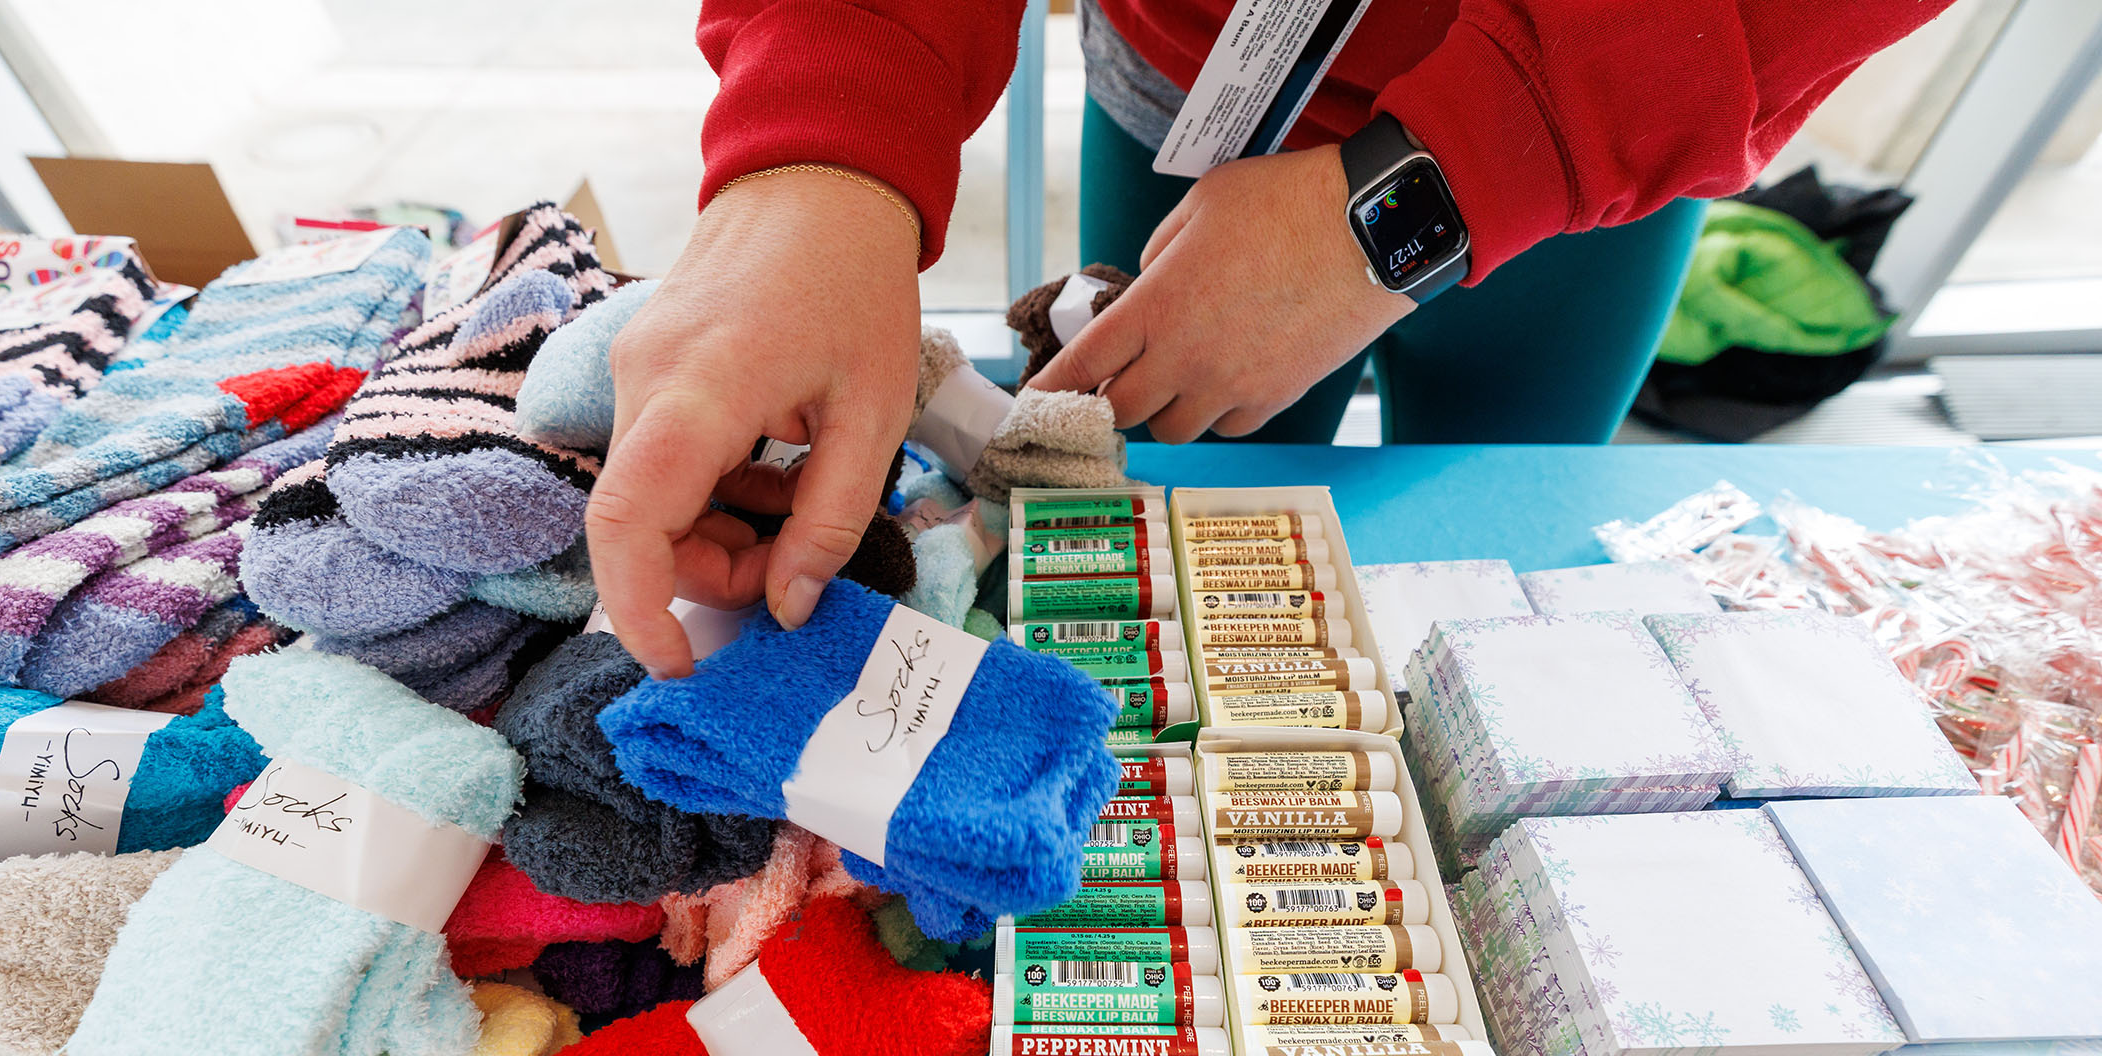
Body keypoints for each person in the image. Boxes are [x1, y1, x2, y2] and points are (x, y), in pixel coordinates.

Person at [590, 0, 1950, 678]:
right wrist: (818, 152)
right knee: (1154, 555)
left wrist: (1468, 174)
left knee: (1506, 591)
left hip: (1595, 145)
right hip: (1192, 89)